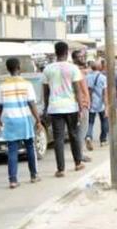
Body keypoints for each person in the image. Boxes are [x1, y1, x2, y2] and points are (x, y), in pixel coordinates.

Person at [0, 58, 43, 189]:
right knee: (30, 147)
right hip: (24, 119)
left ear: (8, 69)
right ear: (19, 67)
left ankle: (13, 180)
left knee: (12, 150)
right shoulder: (26, 84)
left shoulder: (3, 85)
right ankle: (34, 175)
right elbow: (31, 103)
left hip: (10, 120)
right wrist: (38, 120)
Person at [43, 41, 85, 177]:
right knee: (74, 135)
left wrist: (46, 107)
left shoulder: (48, 69)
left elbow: (45, 91)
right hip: (71, 106)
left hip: (55, 108)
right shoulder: (73, 68)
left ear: (55, 53)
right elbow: (77, 90)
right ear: (67, 53)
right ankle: (78, 163)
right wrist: (80, 107)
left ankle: (61, 169)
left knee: (58, 139)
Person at [72, 50, 92, 159]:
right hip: (81, 104)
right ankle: (79, 155)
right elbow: (78, 91)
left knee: (80, 131)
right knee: (81, 131)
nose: (82, 58)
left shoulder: (80, 71)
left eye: (83, 56)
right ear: (74, 59)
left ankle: (78, 154)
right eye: (79, 57)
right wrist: (83, 104)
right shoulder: (75, 71)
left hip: (82, 103)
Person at [85, 60, 108, 149]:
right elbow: (105, 93)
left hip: (91, 103)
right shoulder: (103, 77)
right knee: (104, 121)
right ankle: (103, 140)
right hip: (100, 104)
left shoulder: (87, 77)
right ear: (99, 67)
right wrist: (106, 107)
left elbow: (87, 90)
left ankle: (88, 136)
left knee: (90, 122)